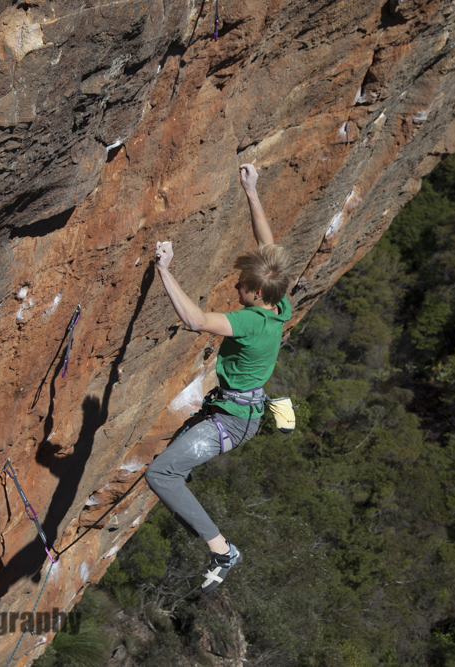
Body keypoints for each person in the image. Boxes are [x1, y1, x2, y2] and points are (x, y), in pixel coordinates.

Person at [145, 163, 298, 593]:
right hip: (236, 408)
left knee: (161, 475)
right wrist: (251, 190)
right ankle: (211, 532)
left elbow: (194, 320)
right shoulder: (278, 302)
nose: (237, 288)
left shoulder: (249, 322)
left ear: (255, 295)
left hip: (231, 419)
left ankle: (222, 549)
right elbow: (269, 250)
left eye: (241, 287)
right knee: (171, 469)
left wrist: (165, 270)